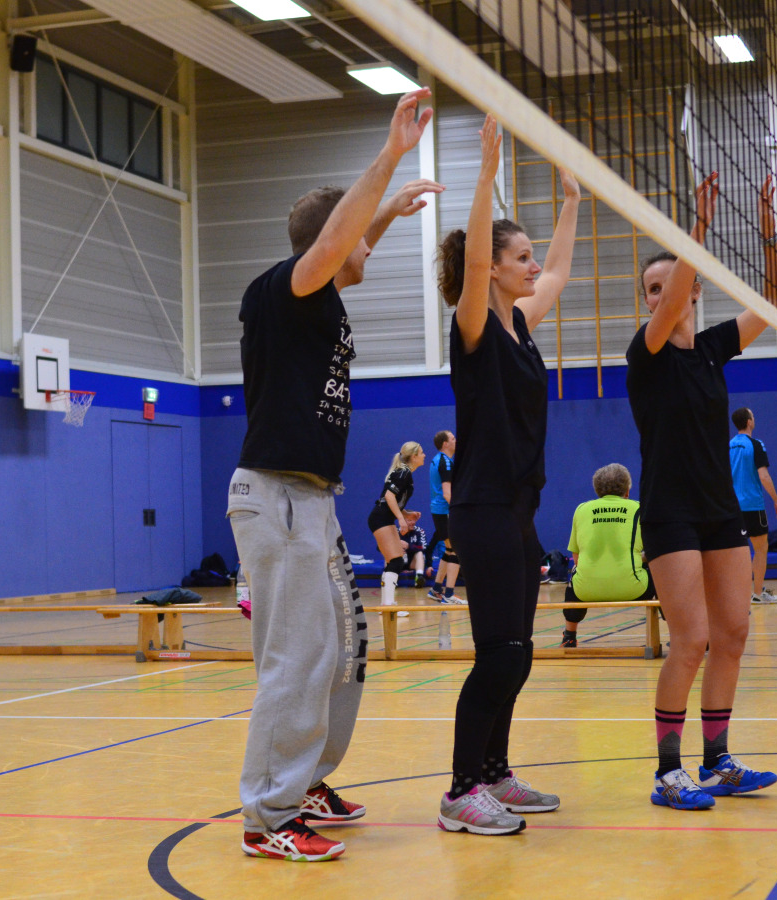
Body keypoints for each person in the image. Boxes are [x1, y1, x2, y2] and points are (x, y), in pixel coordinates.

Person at [225, 89, 440, 863]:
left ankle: (307, 780)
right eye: (359, 238)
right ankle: (267, 817)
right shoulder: (281, 289)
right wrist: (389, 158)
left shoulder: (317, 300)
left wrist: (384, 216)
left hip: (312, 501)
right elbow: (334, 246)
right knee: (297, 660)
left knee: (344, 651)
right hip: (276, 496)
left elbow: (347, 246)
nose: (367, 252)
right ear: (328, 241)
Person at [435, 113, 579, 835]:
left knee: (518, 655)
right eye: (518, 257)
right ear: (490, 266)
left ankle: (494, 773)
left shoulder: (521, 323)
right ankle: (461, 791)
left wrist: (572, 202)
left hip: (519, 510)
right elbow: (472, 269)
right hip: (483, 506)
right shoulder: (474, 325)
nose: (530, 265)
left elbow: (557, 273)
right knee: (498, 655)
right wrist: (487, 172)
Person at [626, 171, 777, 811]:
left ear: (695, 291)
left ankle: (717, 761)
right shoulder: (646, 352)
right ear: (649, 302)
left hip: (720, 511)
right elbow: (670, 307)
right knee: (690, 639)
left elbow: (776, 299)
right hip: (670, 514)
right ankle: (668, 773)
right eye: (653, 288)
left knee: (733, 634)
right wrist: (696, 227)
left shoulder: (713, 349)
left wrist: (768, 227)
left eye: (673, 284)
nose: (665, 294)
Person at [560, 464, 656, 648]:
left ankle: (569, 637)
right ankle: (679, 635)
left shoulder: (582, 509)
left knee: (574, 578)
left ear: (597, 489)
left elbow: (576, 556)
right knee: (663, 572)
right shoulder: (638, 508)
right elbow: (654, 551)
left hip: (586, 591)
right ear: (627, 490)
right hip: (634, 590)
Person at [729, 408, 777, 605]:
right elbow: (764, 476)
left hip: (732, 507)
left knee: (736, 552)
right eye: (753, 416)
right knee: (760, 549)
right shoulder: (756, 444)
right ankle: (757, 594)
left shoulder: (728, 446)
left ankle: (737, 595)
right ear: (749, 422)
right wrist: (776, 500)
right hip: (753, 506)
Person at [369, 441, 424, 616]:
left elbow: (393, 501)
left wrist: (407, 514)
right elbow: (389, 496)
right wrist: (401, 519)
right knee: (396, 561)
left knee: (395, 560)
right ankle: (388, 606)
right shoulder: (403, 472)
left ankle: (387, 605)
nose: (424, 455)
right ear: (413, 456)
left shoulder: (404, 472)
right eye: (421, 453)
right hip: (381, 518)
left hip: (383, 517)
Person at [426, 431, 463, 603]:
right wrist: (459, 511)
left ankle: (436, 589)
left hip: (438, 510)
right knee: (455, 550)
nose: (456, 440)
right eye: (453, 438)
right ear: (445, 444)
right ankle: (449, 594)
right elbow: (447, 493)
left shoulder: (438, 459)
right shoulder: (446, 463)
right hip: (445, 510)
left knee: (449, 549)